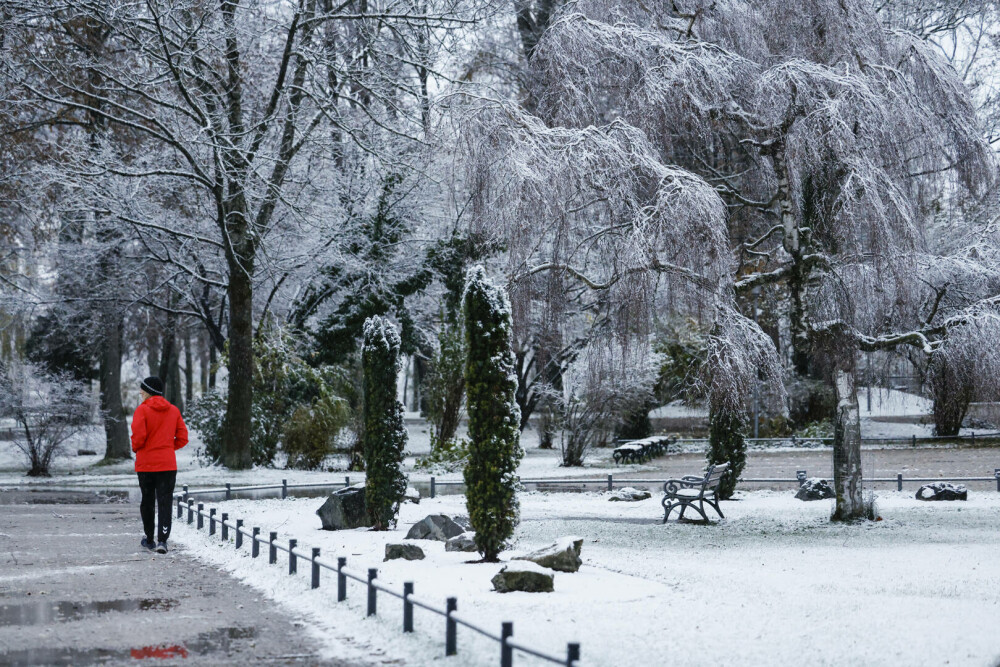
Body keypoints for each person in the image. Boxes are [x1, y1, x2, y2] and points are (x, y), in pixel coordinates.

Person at [132, 376, 188, 554]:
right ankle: (163, 541)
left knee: (147, 502)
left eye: (142, 390)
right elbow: (183, 438)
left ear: (148, 392)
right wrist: (167, 448)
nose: (140, 393)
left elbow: (138, 438)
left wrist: (138, 448)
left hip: (146, 465)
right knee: (165, 502)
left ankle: (149, 540)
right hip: (167, 465)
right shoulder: (173, 410)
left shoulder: (142, 411)